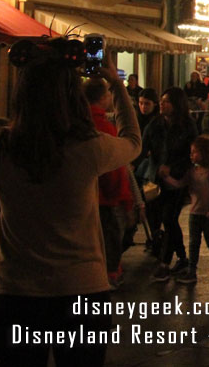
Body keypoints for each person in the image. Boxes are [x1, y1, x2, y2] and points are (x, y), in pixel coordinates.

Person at [0, 42, 139, 366]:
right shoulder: (89, 148)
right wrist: (116, 85)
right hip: (81, 289)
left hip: (16, 290)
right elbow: (132, 141)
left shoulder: (3, 146)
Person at [85, 78, 135, 291]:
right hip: (104, 199)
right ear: (104, 97)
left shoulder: (73, 126)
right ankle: (110, 275)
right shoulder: (103, 128)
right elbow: (117, 168)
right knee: (110, 237)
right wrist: (124, 198)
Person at [159, 137, 209, 284]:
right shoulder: (192, 171)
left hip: (208, 215)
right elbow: (180, 184)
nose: (191, 155)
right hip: (194, 213)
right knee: (193, 243)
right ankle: (192, 271)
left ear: (204, 153)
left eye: (194, 152)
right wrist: (167, 178)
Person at [146, 87, 199, 282]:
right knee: (161, 218)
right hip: (157, 182)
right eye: (161, 100)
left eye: (166, 101)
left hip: (178, 180)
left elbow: (192, 153)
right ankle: (183, 258)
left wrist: (173, 168)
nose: (162, 104)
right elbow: (144, 147)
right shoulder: (155, 124)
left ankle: (164, 263)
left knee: (169, 217)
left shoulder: (187, 126)